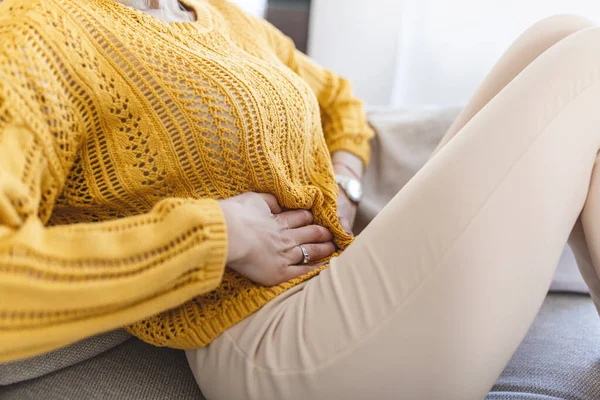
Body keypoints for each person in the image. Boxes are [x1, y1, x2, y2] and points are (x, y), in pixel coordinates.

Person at [1, 0, 600, 398]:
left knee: (562, 35)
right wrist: (214, 234)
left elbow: (338, 99)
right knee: (589, 58)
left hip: (339, 275)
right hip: (272, 341)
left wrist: (343, 183)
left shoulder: (206, 13)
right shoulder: (34, 33)